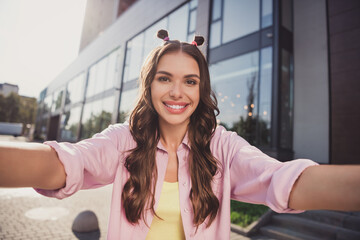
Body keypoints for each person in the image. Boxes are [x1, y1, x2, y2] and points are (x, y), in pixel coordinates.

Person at [0, 29, 359, 240]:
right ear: (149, 85)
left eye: (190, 81)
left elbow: (283, 180)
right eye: (164, 78)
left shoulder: (223, 146)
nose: (177, 92)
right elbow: (67, 163)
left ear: (201, 89)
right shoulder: (123, 140)